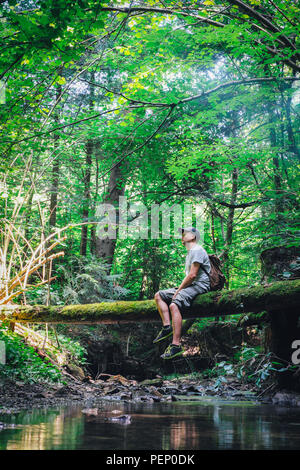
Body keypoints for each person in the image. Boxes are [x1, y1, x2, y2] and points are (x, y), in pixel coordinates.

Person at [153, 227, 211, 360]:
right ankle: (167, 327)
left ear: (194, 237)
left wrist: (178, 291)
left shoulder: (197, 250)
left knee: (174, 305)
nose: (182, 236)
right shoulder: (191, 252)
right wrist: (179, 289)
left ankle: (176, 345)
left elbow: (192, 275)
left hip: (200, 285)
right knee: (159, 295)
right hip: (190, 286)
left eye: (186, 233)